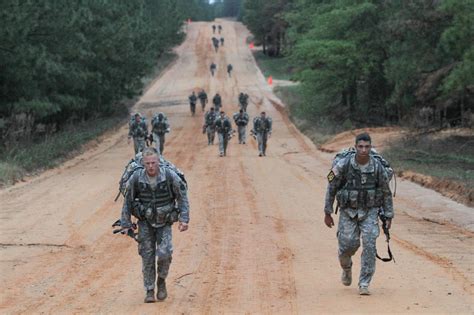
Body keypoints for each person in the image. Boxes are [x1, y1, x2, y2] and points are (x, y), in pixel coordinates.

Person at [323, 132, 394, 296]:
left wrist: (388, 215)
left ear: (371, 147)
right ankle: (346, 268)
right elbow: (331, 186)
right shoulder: (343, 164)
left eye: (367, 147)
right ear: (355, 147)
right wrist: (328, 211)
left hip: (370, 211)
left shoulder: (377, 167)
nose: (363, 150)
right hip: (348, 211)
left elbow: (385, 192)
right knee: (348, 245)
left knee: (369, 244)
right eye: (360, 147)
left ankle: (364, 283)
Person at [120, 147, 189, 303]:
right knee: (147, 256)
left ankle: (161, 281)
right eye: (148, 163)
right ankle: (150, 289)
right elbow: (128, 201)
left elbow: (182, 197)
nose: (151, 166)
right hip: (145, 222)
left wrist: (184, 219)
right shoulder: (137, 178)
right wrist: (125, 223)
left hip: (164, 222)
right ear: (143, 163)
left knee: (165, 253)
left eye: (153, 162)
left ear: (158, 162)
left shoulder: (169, 176)